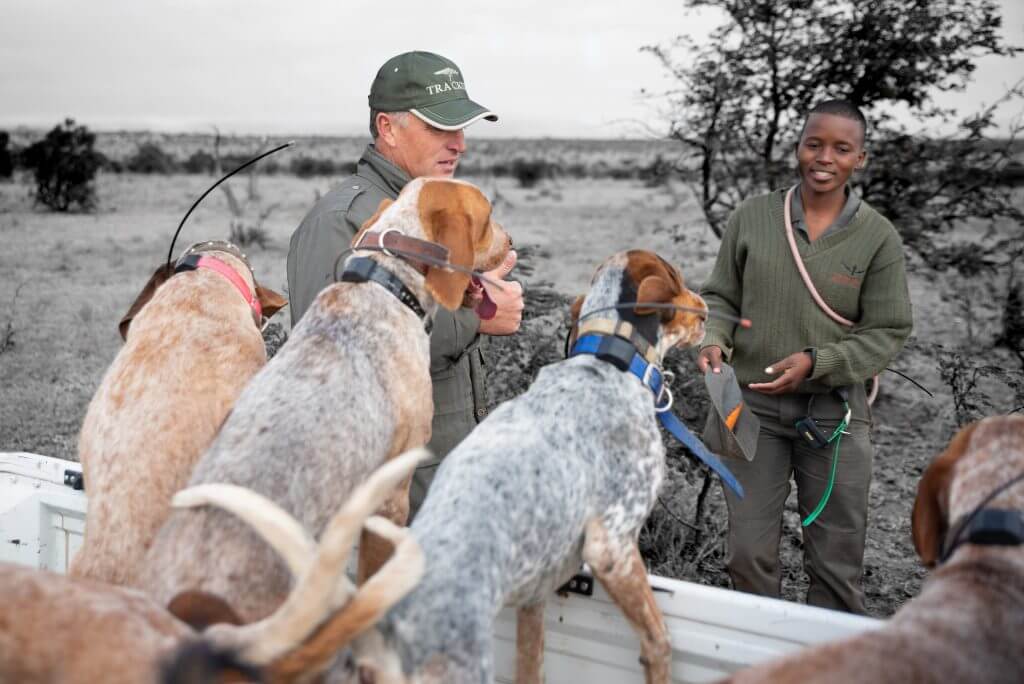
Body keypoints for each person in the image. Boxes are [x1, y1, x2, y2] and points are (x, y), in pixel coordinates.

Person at [696, 99, 913, 614]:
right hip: (749, 410)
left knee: (836, 565)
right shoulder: (752, 217)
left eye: (841, 148)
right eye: (814, 143)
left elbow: (888, 330)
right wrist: (713, 339)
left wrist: (817, 363)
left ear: (860, 159)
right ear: (798, 147)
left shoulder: (878, 237)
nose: (824, 157)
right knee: (747, 556)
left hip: (834, 416)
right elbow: (722, 297)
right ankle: (765, 660)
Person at [287, 51, 524, 518]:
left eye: (461, 128)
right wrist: (479, 316)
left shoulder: (424, 211)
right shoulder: (342, 221)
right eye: (439, 128)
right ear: (387, 128)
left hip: (442, 478)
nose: (459, 145)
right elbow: (334, 357)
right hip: (385, 496)